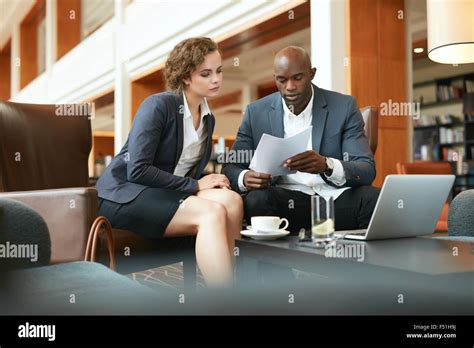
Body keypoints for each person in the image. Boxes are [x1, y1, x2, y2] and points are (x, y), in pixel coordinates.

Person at [96, 37, 243, 287]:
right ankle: (226, 302)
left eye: (218, 71)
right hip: (125, 194)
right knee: (211, 213)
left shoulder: (208, 119)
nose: (216, 79)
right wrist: (197, 186)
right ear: (186, 77)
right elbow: (138, 170)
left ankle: (233, 281)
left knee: (232, 200)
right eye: (206, 74)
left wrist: (203, 183)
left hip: (163, 193)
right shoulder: (158, 106)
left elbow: (182, 168)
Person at [222, 46, 380, 233]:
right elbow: (231, 166)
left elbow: (366, 168)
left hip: (335, 200)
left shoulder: (343, 107)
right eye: (282, 80)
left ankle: (358, 259)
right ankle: (273, 263)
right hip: (287, 202)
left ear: (312, 74)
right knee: (257, 199)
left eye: (297, 78)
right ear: (275, 79)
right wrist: (245, 177)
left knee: (374, 198)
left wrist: (326, 164)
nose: (290, 87)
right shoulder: (256, 113)